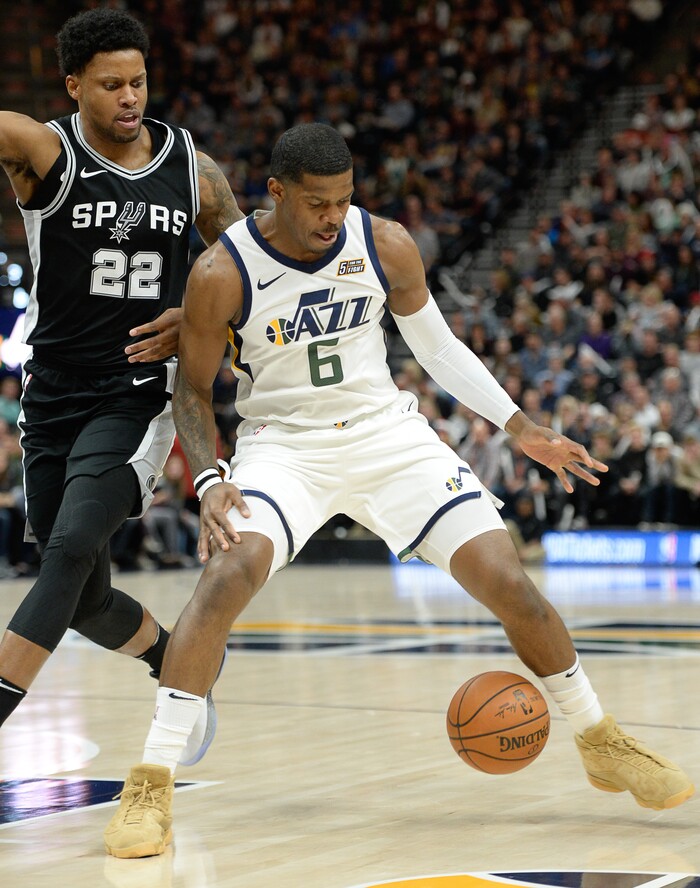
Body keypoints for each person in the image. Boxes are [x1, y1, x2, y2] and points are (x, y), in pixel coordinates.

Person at [104, 123, 694, 859]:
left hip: (389, 435)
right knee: (224, 576)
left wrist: (519, 426)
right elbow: (192, 391)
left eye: (343, 200)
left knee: (508, 579)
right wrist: (213, 480)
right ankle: (153, 778)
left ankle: (601, 738)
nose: (330, 217)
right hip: (285, 445)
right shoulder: (222, 273)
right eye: (316, 203)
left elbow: (438, 347)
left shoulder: (383, 244)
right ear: (277, 194)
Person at [0, 8, 243, 764]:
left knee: (69, 548)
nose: (129, 97)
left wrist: (204, 319)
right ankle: (181, 661)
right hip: (53, 395)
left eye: (138, 81)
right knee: (84, 598)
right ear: (74, 87)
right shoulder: (45, 149)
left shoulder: (191, 167)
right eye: (110, 85)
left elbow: (248, 267)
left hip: (136, 393)